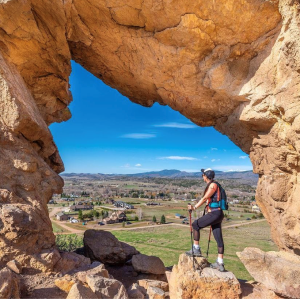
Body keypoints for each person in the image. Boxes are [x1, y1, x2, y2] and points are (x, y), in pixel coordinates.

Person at [186, 168, 225, 272]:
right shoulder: (215, 185)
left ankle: (196, 249)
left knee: (195, 225)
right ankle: (220, 263)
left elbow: (204, 199)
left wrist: (194, 208)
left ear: (206, 176)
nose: (202, 176)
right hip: (218, 213)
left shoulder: (213, 185)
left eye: (203, 175)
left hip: (214, 213)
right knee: (218, 238)